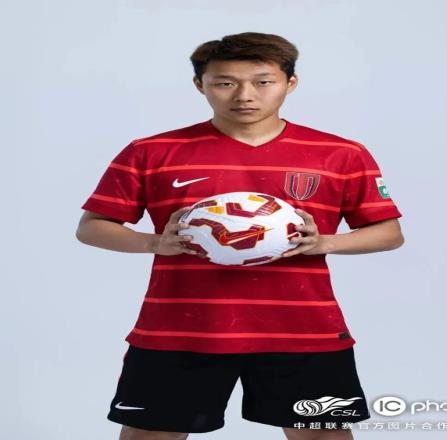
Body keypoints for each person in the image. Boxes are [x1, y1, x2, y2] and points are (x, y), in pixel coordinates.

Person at [76, 32, 404, 440]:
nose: (245, 95)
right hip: (179, 329)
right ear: (200, 85)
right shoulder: (151, 151)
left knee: (321, 435)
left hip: (303, 330)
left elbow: (388, 232)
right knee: (149, 435)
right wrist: (153, 242)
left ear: (290, 83)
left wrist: (325, 243)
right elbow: (92, 226)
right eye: (225, 82)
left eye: (263, 82)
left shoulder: (340, 153)